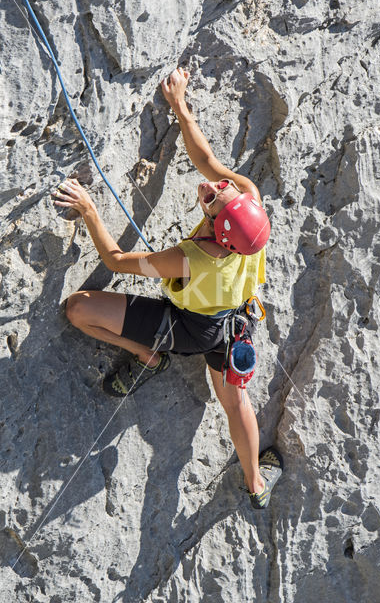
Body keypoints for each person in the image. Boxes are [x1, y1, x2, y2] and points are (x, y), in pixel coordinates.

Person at [55, 68, 283, 509]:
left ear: (219, 232)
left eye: (214, 202)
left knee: (78, 310)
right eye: (223, 192)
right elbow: (208, 162)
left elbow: (115, 262)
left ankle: (149, 357)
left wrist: (88, 209)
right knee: (236, 402)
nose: (213, 189)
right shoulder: (248, 204)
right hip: (236, 320)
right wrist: (180, 106)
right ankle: (257, 485)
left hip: (191, 326)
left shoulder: (188, 260)